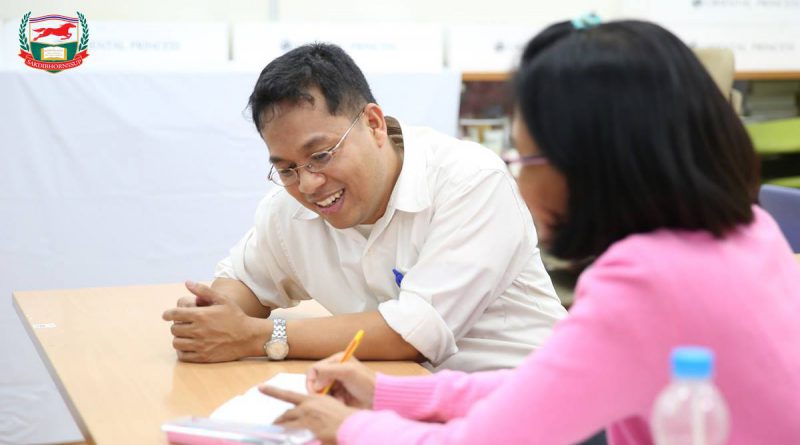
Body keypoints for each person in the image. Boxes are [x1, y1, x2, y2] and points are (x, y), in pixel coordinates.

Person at [258, 19, 800, 444]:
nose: (517, 178)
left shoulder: (644, 280)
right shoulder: (748, 231)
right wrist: (391, 394)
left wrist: (349, 427)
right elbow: (550, 384)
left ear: (589, 165)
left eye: (525, 157)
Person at [161, 43, 567, 372]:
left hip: (525, 401)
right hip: (405, 396)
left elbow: (414, 334)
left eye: (321, 155)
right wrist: (213, 318)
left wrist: (257, 337)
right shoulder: (290, 210)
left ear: (374, 123)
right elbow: (247, 280)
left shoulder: (470, 180)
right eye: (286, 168)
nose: (308, 184)